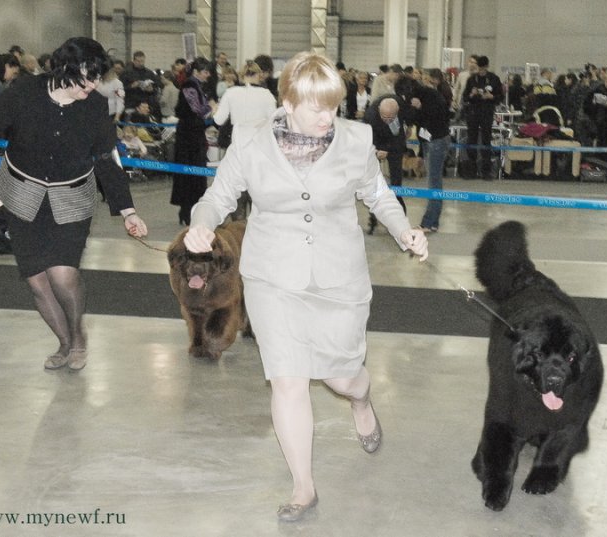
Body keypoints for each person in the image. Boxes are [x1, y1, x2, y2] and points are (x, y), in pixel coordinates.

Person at [181, 51, 428, 522]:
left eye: (333, 106)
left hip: (339, 276)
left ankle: (362, 399)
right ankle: (303, 487)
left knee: (342, 378)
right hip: (273, 275)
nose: (326, 117)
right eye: (316, 107)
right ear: (289, 100)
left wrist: (405, 232)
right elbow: (218, 197)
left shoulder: (356, 139)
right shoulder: (251, 145)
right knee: (288, 381)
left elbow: (377, 194)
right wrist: (202, 225)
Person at [0, 37, 148, 372]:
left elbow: (107, 160)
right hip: (21, 194)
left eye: (97, 78)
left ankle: (78, 334)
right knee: (37, 279)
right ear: (65, 69)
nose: (93, 85)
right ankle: (63, 342)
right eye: (87, 77)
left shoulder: (93, 106)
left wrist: (128, 210)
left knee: (63, 275)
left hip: (72, 196)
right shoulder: (24, 92)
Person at [395, 74, 451, 231]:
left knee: (434, 183)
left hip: (437, 141)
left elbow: (442, 115)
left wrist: (421, 107)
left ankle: (429, 222)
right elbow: (415, 119)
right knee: (433, 182)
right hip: (429, 142)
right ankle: (433, 222)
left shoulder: (430, 95)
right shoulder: (420, 96)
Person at [171, 57, 216, 225]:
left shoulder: (195, 85)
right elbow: (197, 108)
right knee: (190, 174)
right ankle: (187, 210)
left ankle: (190, 210)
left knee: (193, 175)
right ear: (196, 72)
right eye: (205, 71)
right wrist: (212, 106)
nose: (208, 75)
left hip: (193, 135)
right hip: (188, 138)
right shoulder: (190, 85)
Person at [364, 94, 409, 234]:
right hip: (376, 144)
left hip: (394, 145)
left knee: (397, 186)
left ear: (397, 112)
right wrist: (377, 150)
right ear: (378, 110)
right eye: (385, 117)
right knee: (374, 186)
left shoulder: (401, 109)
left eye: (391, 118)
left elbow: (399, 138)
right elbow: (366, 138)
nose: (388, 120)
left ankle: (402, 221)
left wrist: (389, 150)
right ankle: (373, 220)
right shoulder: (370, 116)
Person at [463, 55, 503, 178]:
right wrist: (471, 94)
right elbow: (465, 97)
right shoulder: (471, 79)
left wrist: (492, 97)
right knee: (472, 140)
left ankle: (486, 171)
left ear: (487, 67)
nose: (481, 72)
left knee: (486, 140)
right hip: (473, 113)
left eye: (483, 69)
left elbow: (500, 97)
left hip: (487, 112)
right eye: (479, 69)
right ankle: (471, 171)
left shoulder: (494, 79)